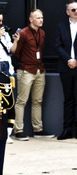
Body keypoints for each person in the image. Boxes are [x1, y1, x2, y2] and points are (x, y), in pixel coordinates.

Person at [13, 9, 54, 140]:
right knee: (22, 101)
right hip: (26, 70)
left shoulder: (42, 33)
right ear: (31, 19)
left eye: (42, 18)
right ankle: (19, 130)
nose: (41, 20)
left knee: (38, 101)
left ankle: (38, 129)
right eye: (38, 18)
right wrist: (23, 66)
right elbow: (16, 52)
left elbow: (40, 50)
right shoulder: (23, 33)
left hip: (39, 69)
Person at [54, 1, 77, 139]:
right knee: (68, 99)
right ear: (67, 12)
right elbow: (58, 45)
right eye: (73, 9)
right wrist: (69, 59)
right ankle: (67, 129)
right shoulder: (61, 26)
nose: (76, 12)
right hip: (66, 67)